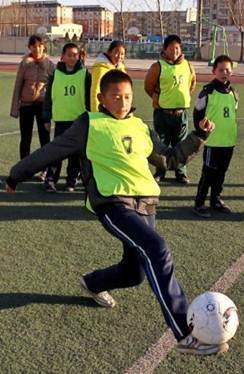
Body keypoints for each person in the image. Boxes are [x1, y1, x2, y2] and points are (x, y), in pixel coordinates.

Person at [5, 70, 227, 355]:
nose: (122, 102)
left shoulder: (140, 127)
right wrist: (15, 175)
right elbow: (50, 151)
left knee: (135, 273)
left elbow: (170, 159)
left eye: (127, 97)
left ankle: (93, 283)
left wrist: (199, 136)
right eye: (115, 97)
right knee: (156, 248)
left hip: (146, 204)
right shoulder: (90, 124)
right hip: (113, 204)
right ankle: (185, 334)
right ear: (101, 98)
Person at [144, 34, 196, 184]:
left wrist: (181, 98)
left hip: (180, 113)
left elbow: (191, 84)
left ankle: (181, 173)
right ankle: (161, 171)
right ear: (165, 49)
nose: (175, 51)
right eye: (172, 48)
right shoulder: (157, 67)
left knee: (181, 144)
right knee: (162, 144)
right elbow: (149, 86)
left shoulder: (188, 66)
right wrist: (158, 99)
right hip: (162, 113)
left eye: (178, 48)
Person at [192, 55, 238, 218]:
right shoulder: (207, 91)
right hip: (213, 141)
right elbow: (197, 113)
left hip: (228, 141)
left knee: (221, 173)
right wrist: (201, 131)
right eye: (221, 70)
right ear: (214, 71)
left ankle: (215, 200)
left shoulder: (233, 92)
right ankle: (199, 202)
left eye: (228, 70)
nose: (224, 73)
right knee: (208, 173)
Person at [42, 43, 91, 192]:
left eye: (75, 55)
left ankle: (71, 181)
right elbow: (48, 98)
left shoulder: (85, 74)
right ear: (62, 56)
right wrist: (46, 117)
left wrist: (90, 116)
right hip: (61, 119)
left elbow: (89, 98)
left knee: (76, 154)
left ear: (79, 56)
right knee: (57, 152)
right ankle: (50, 180)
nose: (72, 58)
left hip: (78, 120)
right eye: (69, 55)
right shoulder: (55, 74)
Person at [10, 34, 55, 181]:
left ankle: (46, 169)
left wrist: (52, 107)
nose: (37, 48)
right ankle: (24, 168)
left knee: (44, 138)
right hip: (26, 105)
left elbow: (55, 84)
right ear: (29, 47)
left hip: (42, 105)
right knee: (26, 138)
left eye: (40, 45)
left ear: (44, 46)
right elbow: (18, 85)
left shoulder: (49, 64)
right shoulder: (24, 63)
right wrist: (15, 108)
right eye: (34, 46)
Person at [89, 40, 126, 112]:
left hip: (118, 111)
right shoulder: (101, 69)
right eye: (116, 52)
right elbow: (95, 92)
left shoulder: (121, 69)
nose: (119, 56)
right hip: (105, 111)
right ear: (109, 52)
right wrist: (96, 112)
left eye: (122, 54)